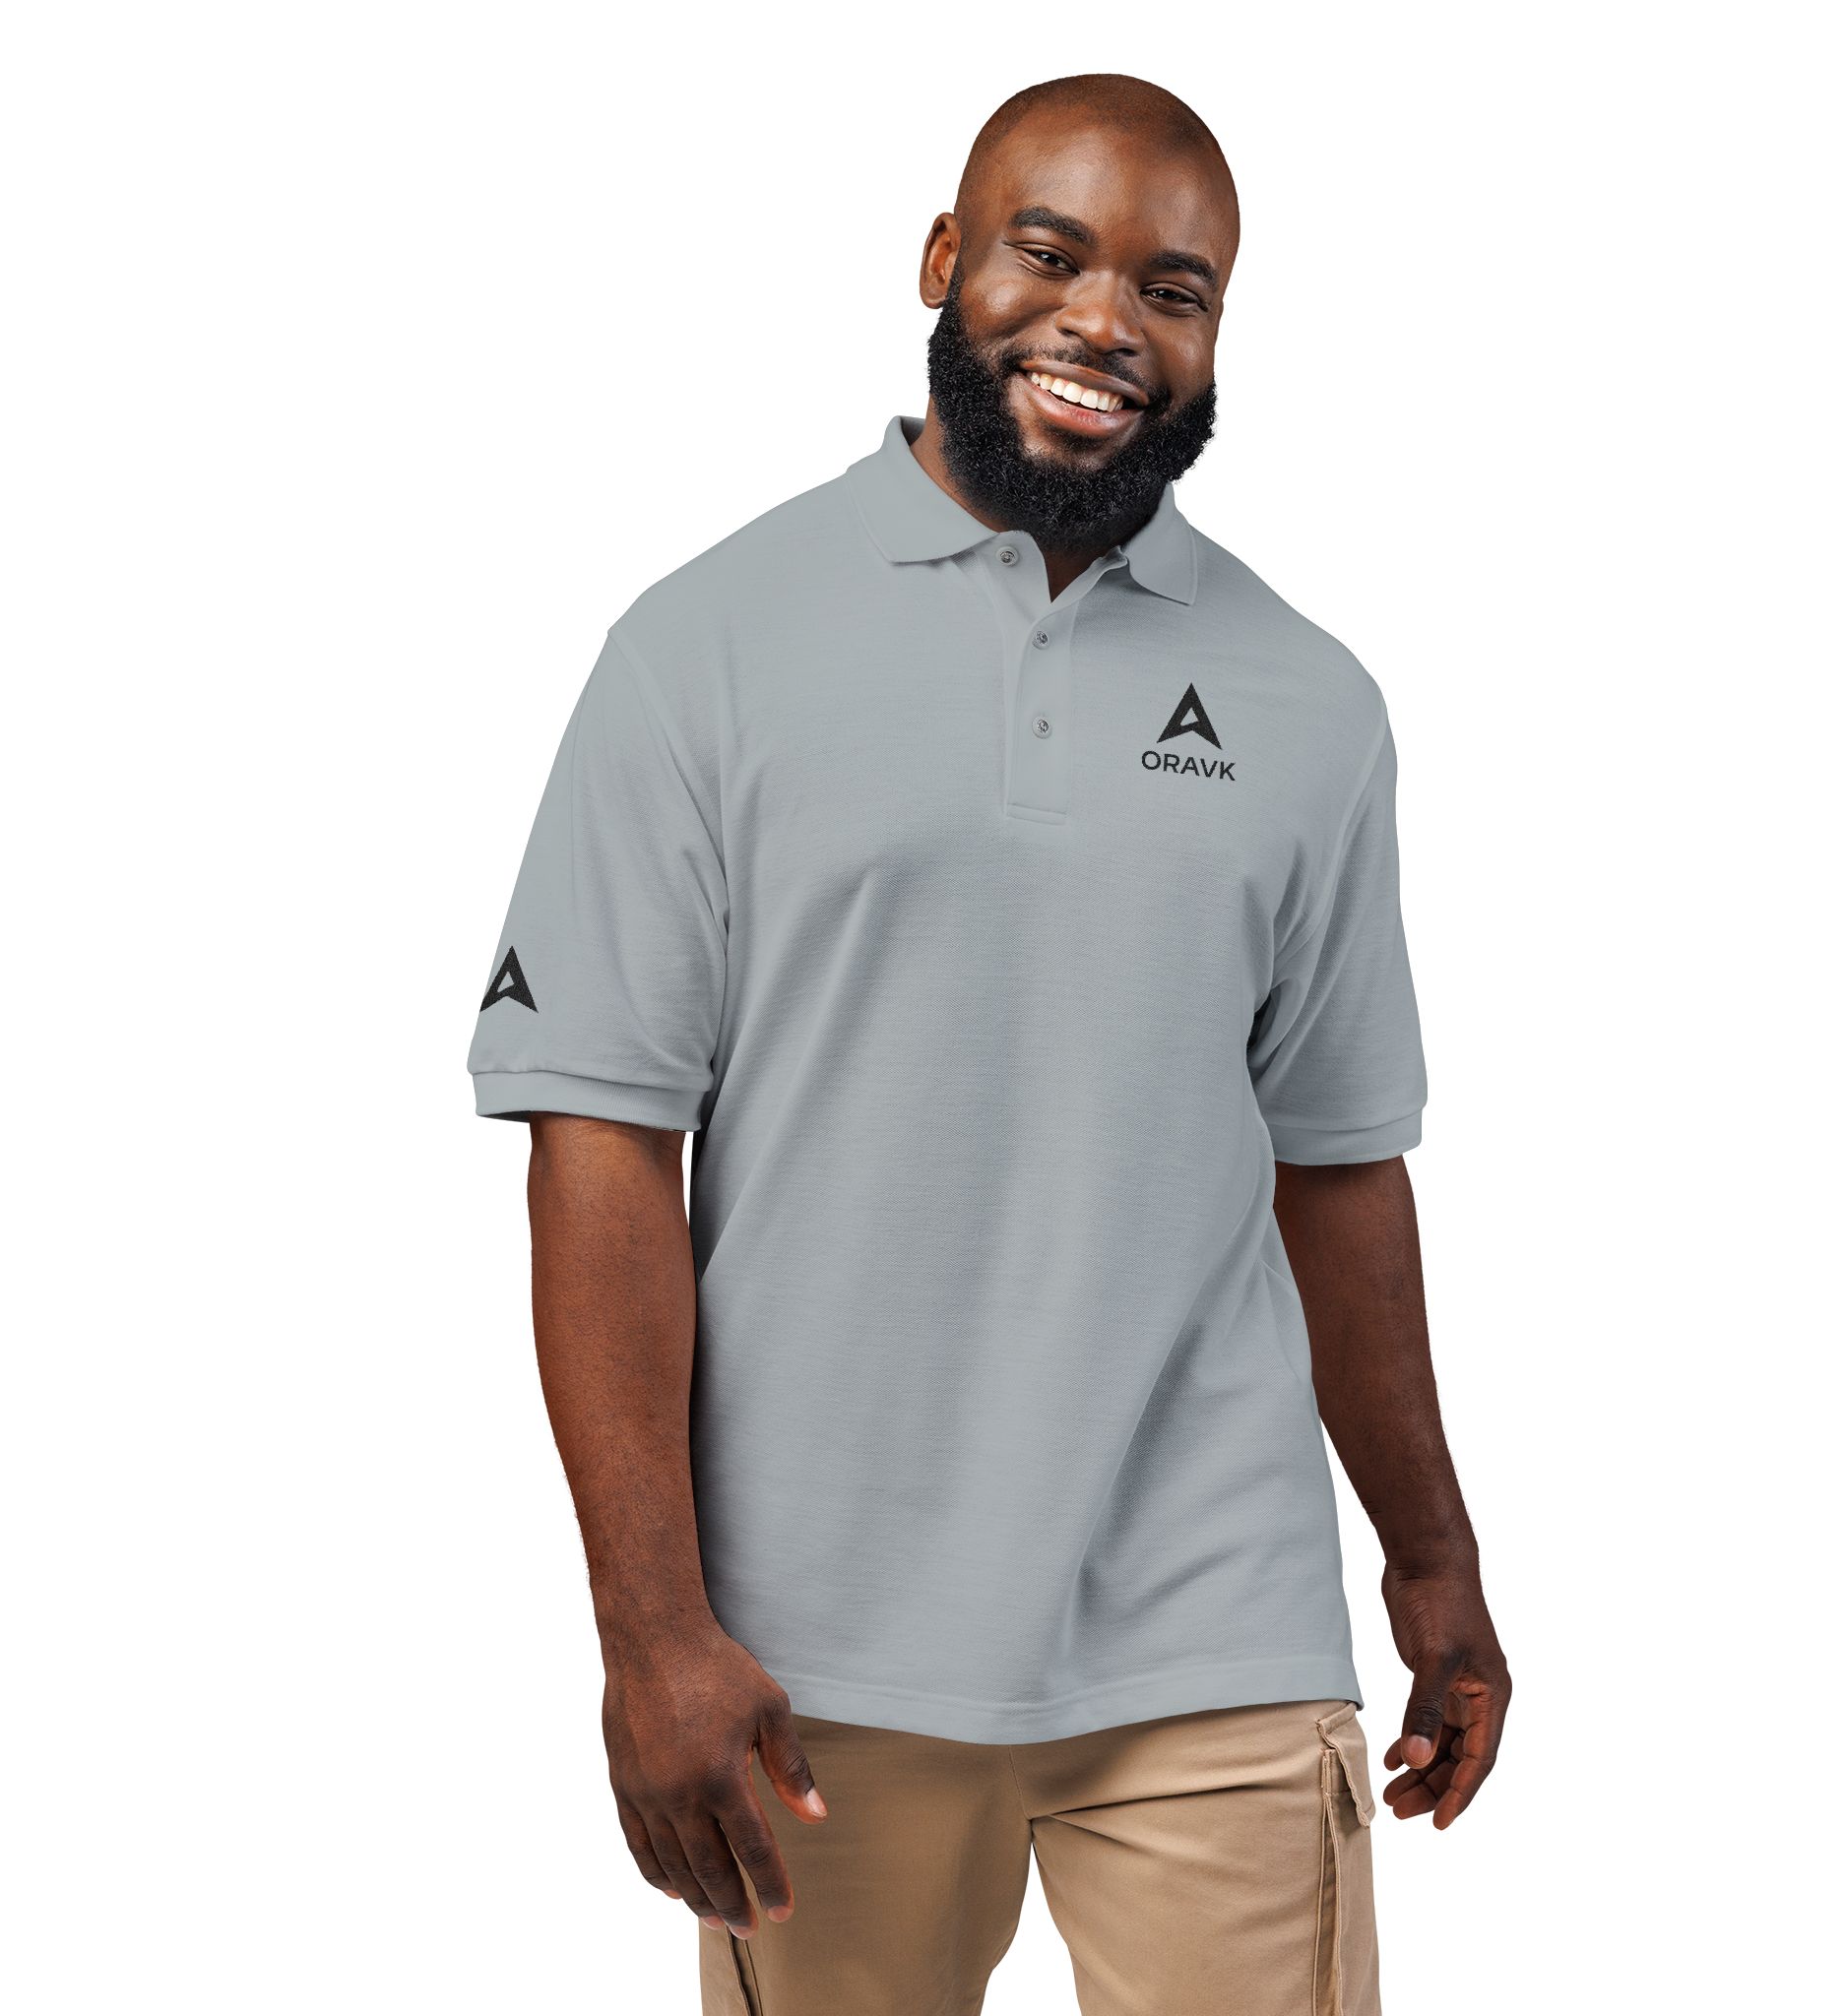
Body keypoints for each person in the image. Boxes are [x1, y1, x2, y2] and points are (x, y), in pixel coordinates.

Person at [468, 71, 1509, 2016]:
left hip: (1215, 1625)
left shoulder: (1310, 700)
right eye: (1052, 253)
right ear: (946, 259)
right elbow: (600, 1141)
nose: (1108, 320)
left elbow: (1340, 1157)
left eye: (1174, 289)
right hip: (811, 1656)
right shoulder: (705, 646)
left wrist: (1431, 1557)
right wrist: (651, 1630)